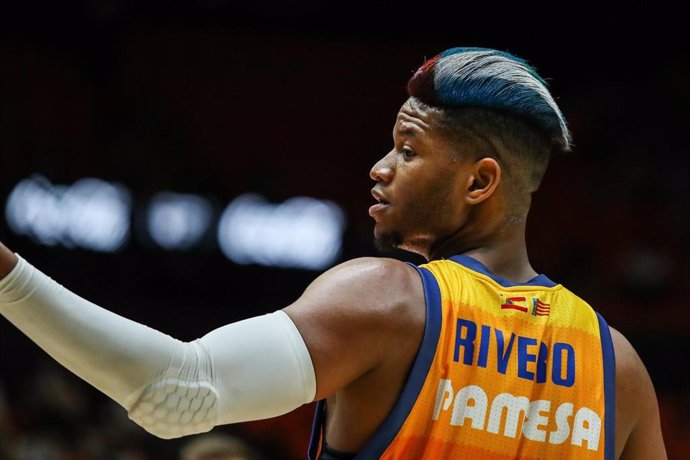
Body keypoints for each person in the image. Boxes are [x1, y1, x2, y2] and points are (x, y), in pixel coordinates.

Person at [0, 47, 667, 459]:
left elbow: (177, 392)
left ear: (479, 181)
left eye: (408, 151)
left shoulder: (392, 301)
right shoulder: (617, 366)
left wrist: (7, 278)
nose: (380, 169)